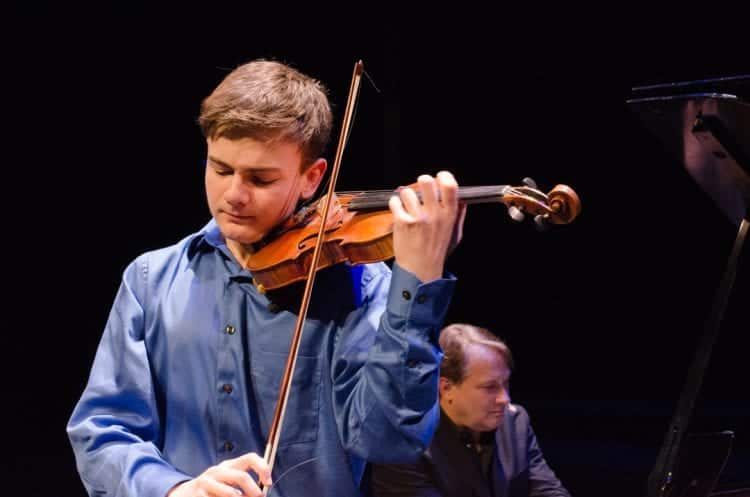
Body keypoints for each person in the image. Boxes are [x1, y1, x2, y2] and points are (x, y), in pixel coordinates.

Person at [67, 58, 467, 497]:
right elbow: (102, 432)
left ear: (312, 178)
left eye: (260, 179)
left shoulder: (358, 284)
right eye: (220, 169)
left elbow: (389, 440)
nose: (234, 195)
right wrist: (174, 489)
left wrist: (418, 279)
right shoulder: (150, 279)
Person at [371, 323, 571, 497]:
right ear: (446, 388)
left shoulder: (515, 422)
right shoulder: (403, 442)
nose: (505, 399)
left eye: (506, 384)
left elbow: (548, 491)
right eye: (490, 387)